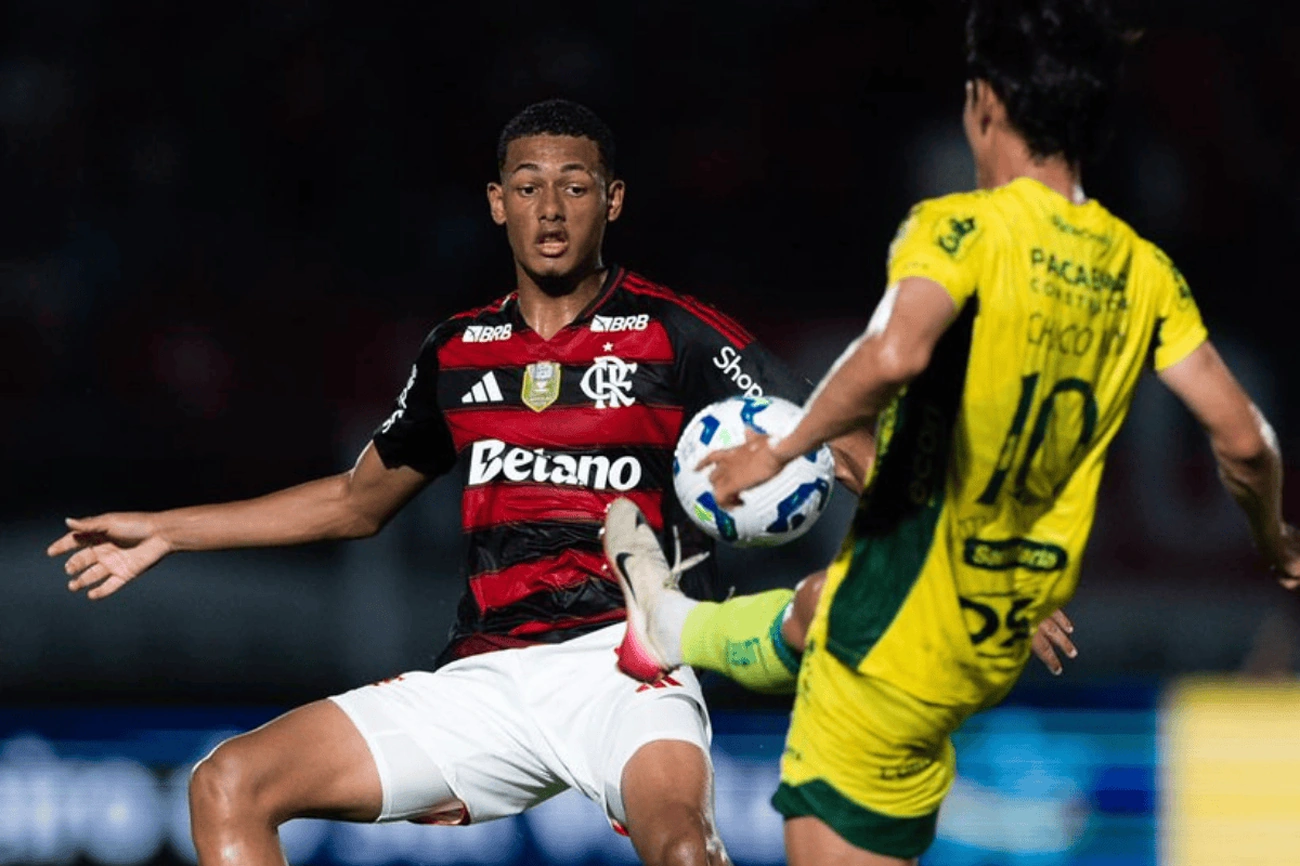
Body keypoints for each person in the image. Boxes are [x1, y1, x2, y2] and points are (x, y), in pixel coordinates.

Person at [46, 98, 890, 866]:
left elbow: (838, 439)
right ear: (498, 203)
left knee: (684, 853)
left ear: (614, 200)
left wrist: (982, 564)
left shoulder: (677, 335)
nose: (550, 209)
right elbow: (354, 502)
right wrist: (168, 530)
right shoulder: (457, 353)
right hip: (483, 683)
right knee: (227, 785)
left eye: (574, 186)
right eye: (528, 187)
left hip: (630, 666)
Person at [603, 1, 1300, 863]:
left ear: (985, 104)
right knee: (822, 602)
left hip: (888, 649)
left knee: (840, 611)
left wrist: (779, 449)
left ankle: (668, 629)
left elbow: (893, 353)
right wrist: (1273, 539)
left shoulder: (960, 227)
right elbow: (1243, 440)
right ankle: (668, 627)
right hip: (993, 633)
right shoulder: (1145, 271)